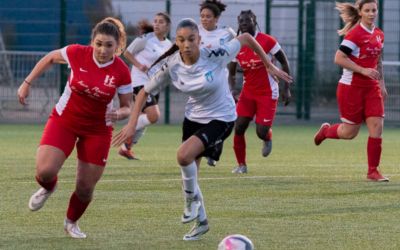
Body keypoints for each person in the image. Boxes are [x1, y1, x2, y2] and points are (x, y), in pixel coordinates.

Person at [112, 18, 292, 241]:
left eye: (191, 39)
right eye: (181, 40)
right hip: (193, 118)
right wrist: (131, 125)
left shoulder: (215, 54)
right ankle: (202, 222)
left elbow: (246, 38)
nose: (187, 44)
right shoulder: (173, 64)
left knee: (182, 156)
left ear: (199, 39)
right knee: (190, 173)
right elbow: (143, 93)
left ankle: (190, 204)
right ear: (176, 42)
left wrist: (268, 64)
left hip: (222, 117)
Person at [17, 17, 133, 238]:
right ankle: (49, 187)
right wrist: (27, 82)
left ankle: (71, 222)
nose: (102, 50)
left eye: (109, 45)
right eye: (98, 44)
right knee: (45, 171)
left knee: (85, 188)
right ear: (92, 42)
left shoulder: (121, 71)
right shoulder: (76, 53)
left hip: (98, 129)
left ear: (117, 47)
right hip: (65, 120)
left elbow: (128, 106)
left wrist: (119, 113)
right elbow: (50, 57)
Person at [314, 0, 388, 182]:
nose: (371, 13)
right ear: (360, 12)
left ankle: (373, 171)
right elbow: (339, 58)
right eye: (367, 10)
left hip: (372, 88)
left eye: (374, 10)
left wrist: (382, 84)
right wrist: (362, 70)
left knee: (377, 127)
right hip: (351, 88)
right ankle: (325, 132)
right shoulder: (354, 35)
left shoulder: (379, 34)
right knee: (350, 132)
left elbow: (378, 60)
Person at [229, 10, 292, 174]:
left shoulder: (267, 41)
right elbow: (231, 72)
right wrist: (232, 90)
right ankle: (241, 165)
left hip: (267, 92)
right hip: (248, 92)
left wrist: (287, 88)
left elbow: (284, 63)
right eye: (241, 21)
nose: (244, 23)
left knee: (260, 131)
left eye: (247, 20)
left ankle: (267, 136)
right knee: (239, 127)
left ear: (254, 21)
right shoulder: (236, 44)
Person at [118, 13, 172, 160]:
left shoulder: (169, 45)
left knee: (145, 117)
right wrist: (139, 65)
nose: (156, 24)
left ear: (167, 26)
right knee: (153, 116)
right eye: (155, 21)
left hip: (154, 84)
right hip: (139, 82)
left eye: (161, 22)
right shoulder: (145, 39)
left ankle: (126, 147)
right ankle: (127, 132)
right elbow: (127, 53)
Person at [198, 0, 236, 167]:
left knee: (224, 116)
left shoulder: (227, 33)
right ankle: (213, 143)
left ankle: (216, 140)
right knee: (202, 119)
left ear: (216, 18)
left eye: (208, 16)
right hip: (199, 83)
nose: (204, 19)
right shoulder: (195, 32)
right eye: (202, 16)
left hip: (219, 82)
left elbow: (237, 50)